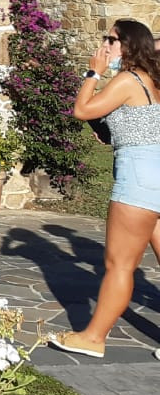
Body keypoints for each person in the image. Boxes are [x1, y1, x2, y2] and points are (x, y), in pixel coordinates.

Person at [51, 18, 160, 358]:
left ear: (127, 46)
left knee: (119, 265)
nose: (105, 45)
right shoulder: (153, 80)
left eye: (110, 39)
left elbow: (82, 110)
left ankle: (94, 338)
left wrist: (93, 73)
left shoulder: (128, 79)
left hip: (138, 179)